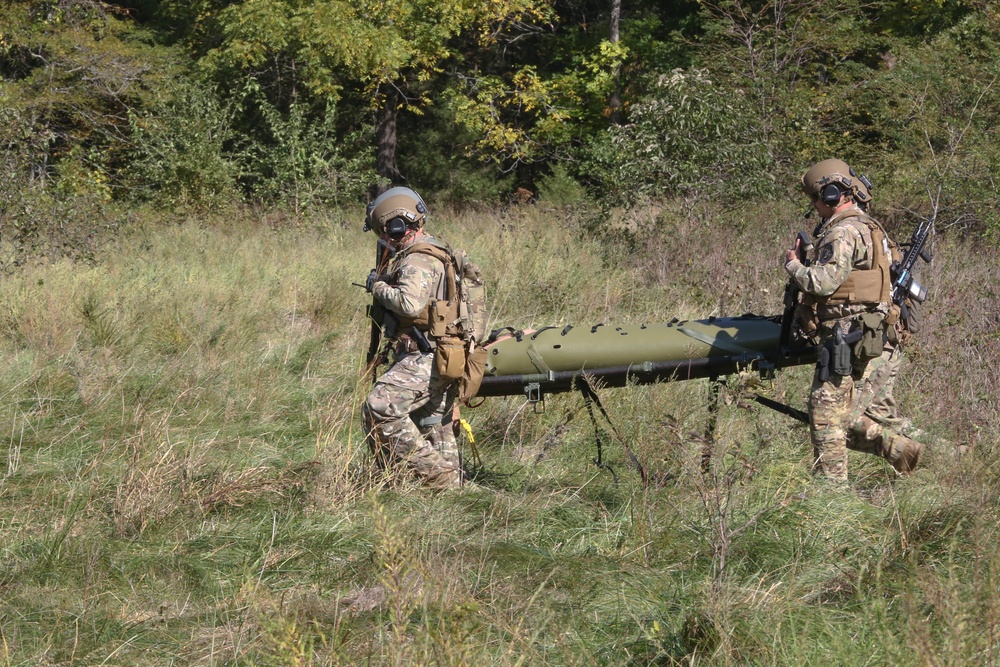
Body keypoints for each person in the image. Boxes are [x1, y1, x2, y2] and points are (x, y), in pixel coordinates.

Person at [784, 159, 924, 483]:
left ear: (831, 195)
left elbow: (821, 282)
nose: (815, 207)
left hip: (850, 340)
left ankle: (832, 501)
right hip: (878, 340)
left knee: (826, 418)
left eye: (816, 200)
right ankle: (907, 452)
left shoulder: (842, 231)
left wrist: (792, 265)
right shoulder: (874, 229)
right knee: (859, 415)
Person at [360, 186, 465, 489]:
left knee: (380, 407)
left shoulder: (416, 260)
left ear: (396, 226)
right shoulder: (436, 250)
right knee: (434, 424)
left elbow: (409, 304)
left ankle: (441, 478)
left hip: (426, 354)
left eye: (385, 231)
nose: (383, 239)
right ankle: (454, 494)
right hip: (445, 352)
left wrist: (377, 286)